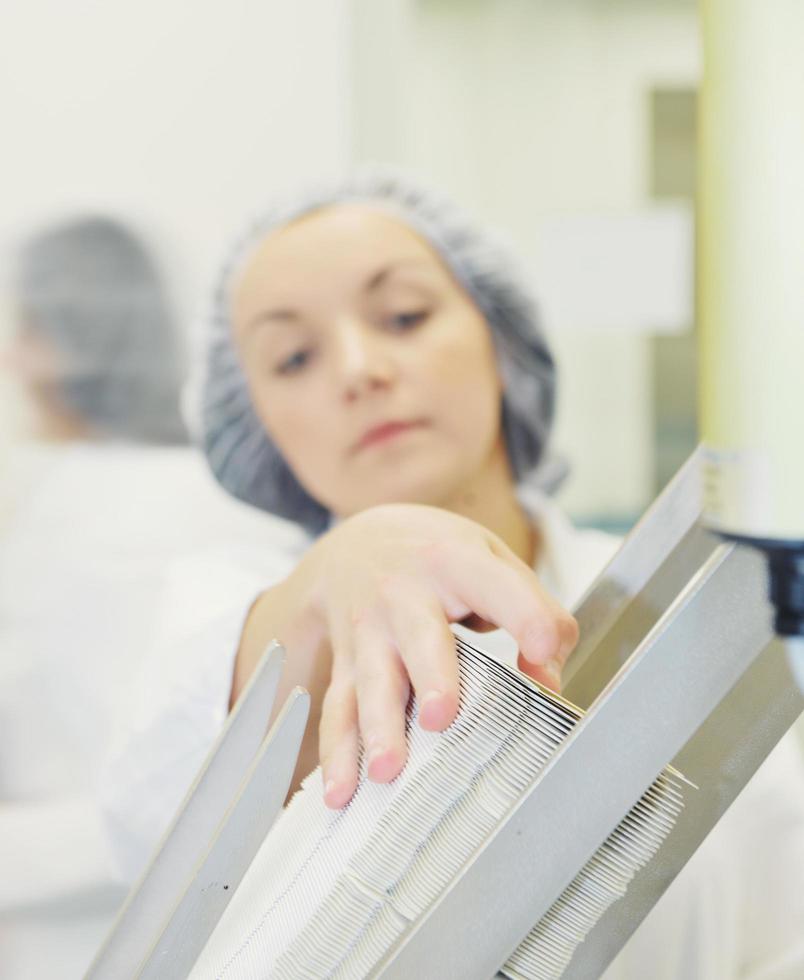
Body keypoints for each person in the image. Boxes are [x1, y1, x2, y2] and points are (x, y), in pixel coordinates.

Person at [101, 172, 804, 978]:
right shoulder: (220, 608)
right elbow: (150, 820)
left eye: (403, 316)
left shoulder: (683, 609)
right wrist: (343, 569)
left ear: (500, 342)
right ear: (257, 425)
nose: (359, 369)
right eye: (294, 357)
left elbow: (779, 925)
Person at [0, 216, 303, 979]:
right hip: (223, 929)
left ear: (49, 343)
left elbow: (136, 795)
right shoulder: (229, 499)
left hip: (66, 937)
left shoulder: (52, 514)